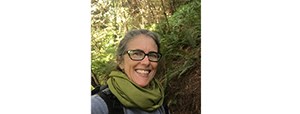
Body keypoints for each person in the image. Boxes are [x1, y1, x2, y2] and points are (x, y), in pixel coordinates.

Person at [91, 29, 168, 114]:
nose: (146, 62)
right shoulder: (98, 106)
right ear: (120, 61)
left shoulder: (159, 98)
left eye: (152, 55)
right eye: (136, 54)